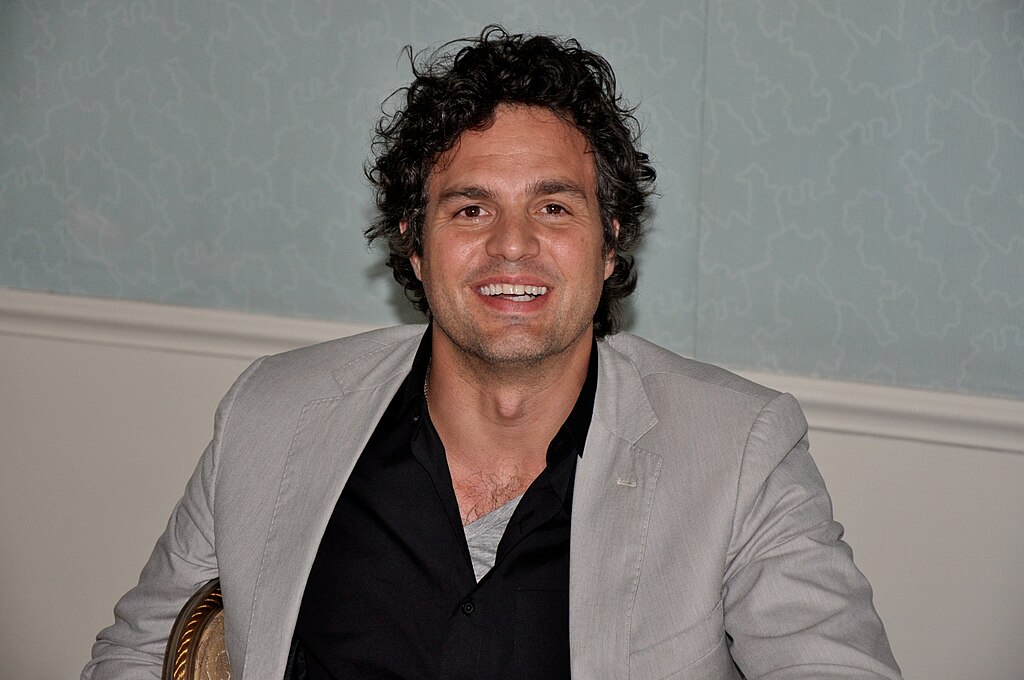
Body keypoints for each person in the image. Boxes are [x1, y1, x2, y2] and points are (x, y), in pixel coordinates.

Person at [83, 26, 902, 680]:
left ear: (610, 242)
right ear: (413, 244)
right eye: (471, 209)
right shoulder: (270, 412)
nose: (513, 248)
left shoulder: (739, 451)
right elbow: (135, 655)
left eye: (553, 207)